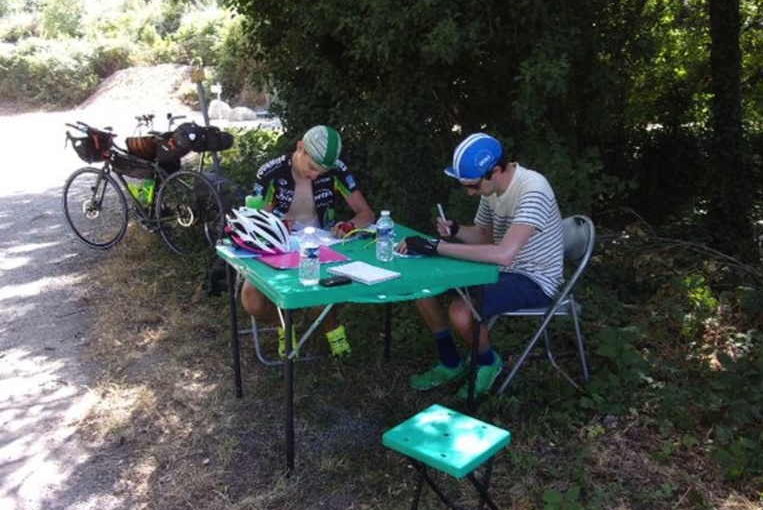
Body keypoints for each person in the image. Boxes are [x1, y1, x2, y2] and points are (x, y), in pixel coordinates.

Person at [397, 132, 564, 398]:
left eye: (473, 185)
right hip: (499, 268)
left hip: (533, 276)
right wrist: (455, 230)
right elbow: (484, 236)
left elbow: (504, 254)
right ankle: (451, 362)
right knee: (423, 285)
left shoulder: (533, 189)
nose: (469, 192)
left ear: (495, 171)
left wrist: (437, 246)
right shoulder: (492, 189)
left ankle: (488, 362)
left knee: (461, 312)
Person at [241, 125, 376, 357]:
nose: (316, 175)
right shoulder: (271, 172)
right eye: (313, 168)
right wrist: (276, 224)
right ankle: (285, 324)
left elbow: (367, 214)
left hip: (321, 243)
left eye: (322, 173)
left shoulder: (337, 170)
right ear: (300, 148)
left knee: (319, 286)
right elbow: (255, 222)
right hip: (281, 246)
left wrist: (349, 226)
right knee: (251, 299)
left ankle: (333, 331)